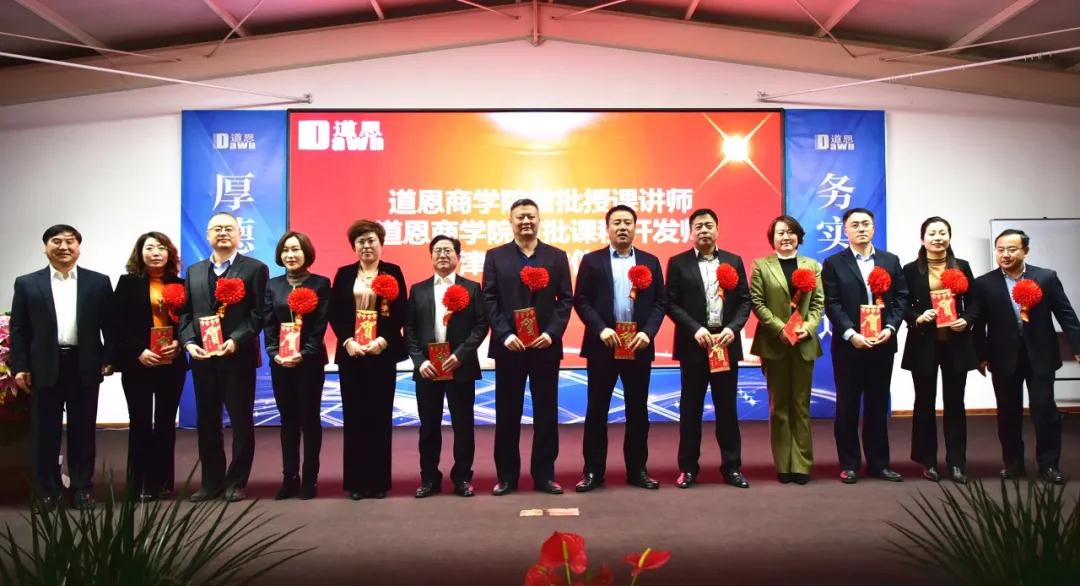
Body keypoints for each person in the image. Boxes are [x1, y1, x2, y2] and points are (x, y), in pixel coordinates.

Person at [10, 224, 113, 510]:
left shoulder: (98, 282)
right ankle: (47, 491)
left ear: (79, 248)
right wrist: (20, 367)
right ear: (45, 248)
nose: (64, 247)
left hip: (84, 364)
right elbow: (18, 329)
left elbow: (110, 325)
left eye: (70, 241)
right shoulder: (27, 283)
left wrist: (108, 359)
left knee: (83, 431)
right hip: (43, 366)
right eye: (56, 241)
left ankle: (82, 488)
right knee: (45, 433)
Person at [572, 205, 667, 492]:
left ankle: (637, 470)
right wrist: (601, 329)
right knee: (597, 410)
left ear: (635, 227)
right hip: (604, 345)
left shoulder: (650, 261)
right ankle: (593, 472)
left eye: (627, 222)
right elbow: (581, 300)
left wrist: (648, 333)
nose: (622, 227)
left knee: (638, 411)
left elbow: (660, 302)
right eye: (617, 223)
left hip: (638, 346)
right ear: (608, 228)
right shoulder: (592, 261)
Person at [974, 229, 1080, 485]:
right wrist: (981, 356)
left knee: (1045, 411)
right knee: (1007, 413)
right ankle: (1013, 463)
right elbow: (979, 324)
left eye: (1012, 249)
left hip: (1041, 356)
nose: (1005, 254)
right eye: (1000, 250)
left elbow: (1066, 315)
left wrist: (1078, 347)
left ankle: (1049, 465)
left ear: (1026, 251)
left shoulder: (1046, 278)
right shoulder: (984, 283)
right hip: (1002, 357)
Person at [482, 198, 573, 496]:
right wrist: (505, 334)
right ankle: (507, 476)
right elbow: (489, 299)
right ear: (510, 221)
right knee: (507, 413)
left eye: (530, 216)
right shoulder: (496, 257)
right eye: (520, 217)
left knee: (546, 413)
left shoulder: (556, 257)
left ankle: (544, 475)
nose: (525, 222)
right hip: (509, 347)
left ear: (539, 220)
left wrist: (552, 333)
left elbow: (566, 299)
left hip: (544, 346)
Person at [179, 211, 268, 502]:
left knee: (241, 421)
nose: (223, 233)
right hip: (203, 358)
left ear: (240, 234)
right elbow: (186, 314)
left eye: (229, 228)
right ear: (208, 236)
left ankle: (236, 481)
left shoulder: (255, 269)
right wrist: (189, 343)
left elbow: (258, 314)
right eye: (216, 229)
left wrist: (235, 340)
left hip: (237, 358)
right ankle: (211, 482)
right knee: (207, 421)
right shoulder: (194, 271)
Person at [665, 208, 752, 489]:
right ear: (691, 232)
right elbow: (670, 303)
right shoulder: (678, 263)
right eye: (698, 226)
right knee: (691, 409)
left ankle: (732, 468)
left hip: (725, 344)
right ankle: (688, 469)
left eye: (709, 225)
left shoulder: (733, 261)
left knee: (727, 409)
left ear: (717, 230)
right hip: (694, 345)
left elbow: (745, 301)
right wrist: (696, 329)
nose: (704, 230)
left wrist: (732, 329)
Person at [821, 207, 908, 484]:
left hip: (882, 344)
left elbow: (901, 298)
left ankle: (880, 464)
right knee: (847, 406)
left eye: (866, 224)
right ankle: (849, 464)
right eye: (855, 224)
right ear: (845, 230)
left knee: (877, 405)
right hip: (850, 346)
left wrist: (890, 328)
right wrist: (850, 333)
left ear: (873, 228)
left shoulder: (890, 260)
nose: (861, 228)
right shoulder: (834, 263)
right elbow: (832, 303)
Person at [328, 219, 408, 500]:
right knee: (354, 418)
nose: (366, 246)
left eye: (371, 240)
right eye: (360, 241)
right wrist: (347, 341)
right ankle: (356, 483)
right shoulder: (344, 274)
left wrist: (382, 340)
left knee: (379, 417)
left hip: (381, 354)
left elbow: (401, 312)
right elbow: (335, 312)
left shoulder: (393, 272)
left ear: (381, 243)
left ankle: (378, 482)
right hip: (352, 355)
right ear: (354, 246)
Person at [405, 235, 487, 498]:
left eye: (448, 250)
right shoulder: (418, 290)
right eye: (437, 250)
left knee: (463, 425)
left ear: (458, 257)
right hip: (428, 370)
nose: (442, 255)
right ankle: (429, 478)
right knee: (429, 426)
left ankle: (462, 478)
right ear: (431, 256)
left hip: (460, 368)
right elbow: (409, 330)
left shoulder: (472, 288)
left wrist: (461, 355)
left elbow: (481, 326)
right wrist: (420, 361)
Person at [900, 217, 979, 484]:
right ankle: (928, 461)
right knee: (924, 402)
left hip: (955, 344)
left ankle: (957, 462)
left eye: (942, 233)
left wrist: (966, 319)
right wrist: (917, 317)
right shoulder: (911, 270)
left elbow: (974, 302)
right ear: (923, 239)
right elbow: (902, 304)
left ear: (949, 236)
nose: (937, 238)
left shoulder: (962, 266)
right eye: (932, 233)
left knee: (955, 403)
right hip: (923, 343)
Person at [111, 231, 187, 502]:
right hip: (139, 363)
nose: (156, 253)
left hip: (171, 362)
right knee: (140, 422)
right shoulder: (128, 283)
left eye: (161, 248)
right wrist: (138, 351)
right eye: (150, 248)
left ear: (170, 253)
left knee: (166, 423)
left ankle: (162, 482)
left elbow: (188, 321)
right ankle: (138, 484)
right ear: (140, 253)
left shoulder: (180, 284)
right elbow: (116, 324)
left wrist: (179, 343)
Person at [749, 215, 824, 485]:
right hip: (774, 343)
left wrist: (809, 327)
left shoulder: (812, 266)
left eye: (791, 232)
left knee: (801, 405)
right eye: (780, 232)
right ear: (772, 237)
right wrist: (780, 328)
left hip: (803, 343)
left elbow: (818, 303)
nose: (786, 237)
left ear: (798, 237)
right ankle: (783, 463)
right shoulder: (761, 265)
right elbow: (757, 302)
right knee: (779, 406)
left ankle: (802, 464)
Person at [263, 231, 330, 500]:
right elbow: (269, 323)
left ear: (307, 253)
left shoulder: (320, 283)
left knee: (309, 419)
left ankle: (310, 478)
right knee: (288, 420)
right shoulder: (273, 285)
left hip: (309, 363)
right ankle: (289, 476)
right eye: (286, 250)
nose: (290, 255)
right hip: (281, 363)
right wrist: (274, 353)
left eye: (296, 250)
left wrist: (304, 353)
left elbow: (320, 324)